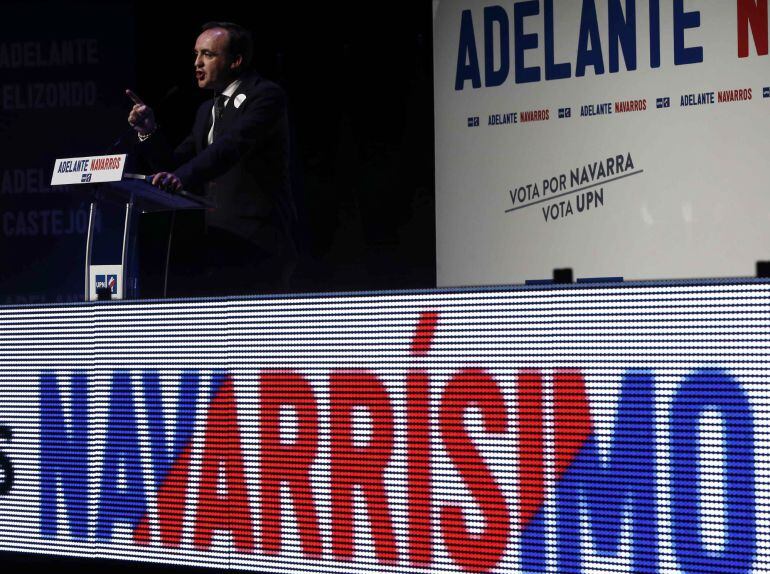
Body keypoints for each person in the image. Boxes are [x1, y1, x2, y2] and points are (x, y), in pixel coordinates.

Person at [127, 21, 296, 295]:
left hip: (260, 242)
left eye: (208, 54)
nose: (197, 63)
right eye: (196, 54)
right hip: (219, 243)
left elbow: (229, 148)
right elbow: (175, 165)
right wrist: (148, 132)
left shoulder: (265, 96)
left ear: (236, 60)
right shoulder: (206, 110)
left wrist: (179, 178)